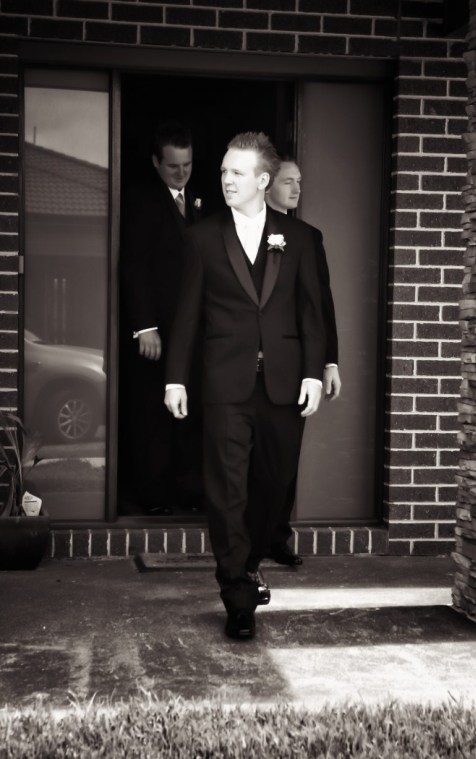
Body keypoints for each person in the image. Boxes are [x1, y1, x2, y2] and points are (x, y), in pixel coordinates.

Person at [164, 132, 326, 640]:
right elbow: (187, 314)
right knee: (227, 490)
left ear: (262, 179)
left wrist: (314, 371)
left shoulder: (301, 239)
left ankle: (251, 561)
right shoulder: (202, 238)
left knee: (274, 486)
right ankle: (237, 595)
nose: (226, 180)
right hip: (224, 384)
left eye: (237, 172)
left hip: (284, 385)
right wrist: (175, 378)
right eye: (223, 172)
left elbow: (313, 313)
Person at [119, 121, 204, 515]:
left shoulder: (201, 200)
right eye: (173, 166)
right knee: (151, 412)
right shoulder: (142, 201)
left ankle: (187, 493)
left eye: (187, 165)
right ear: (156, 163)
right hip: (155, 329)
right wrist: (145, 325)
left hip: (190, 328)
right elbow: (134, 265)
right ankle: (151, 496)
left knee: (188, 410)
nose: (181, 173)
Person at [265, 158, 341, 566]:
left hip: (293, 365)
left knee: (284, 458)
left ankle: (276, 537)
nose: (296, 189)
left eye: (299, 181)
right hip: (243, 364)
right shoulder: (238, 230)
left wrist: (329, 362)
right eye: (288, 182)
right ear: (266, 184)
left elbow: (320, 303)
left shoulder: (309, 237)